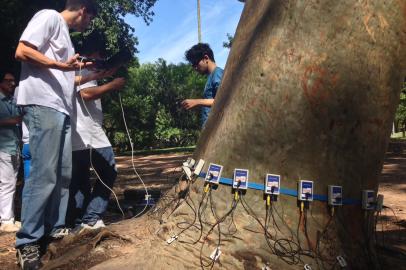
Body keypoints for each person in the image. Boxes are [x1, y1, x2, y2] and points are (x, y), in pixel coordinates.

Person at [14, 1, 97, 269]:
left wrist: (95, 74)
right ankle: (27, 242)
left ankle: (55, 229)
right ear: (83, 10)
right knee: (44, 174)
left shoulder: (67, 39)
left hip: (60, 109)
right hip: (42, 103)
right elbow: (23, 51)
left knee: (62, 174)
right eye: (90, 19)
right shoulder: (49, 16)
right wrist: (61, 66)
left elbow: (64, 77)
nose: (89, 25)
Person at [66, 49, 126, 230]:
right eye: (101, 56)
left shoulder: (73, 72)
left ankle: (78, 221)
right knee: (109, 171)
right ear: (91, 55)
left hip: (76, 135)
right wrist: (112, 86)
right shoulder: (85, 72)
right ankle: (91, 217)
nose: (103, 60)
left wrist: (108, 75)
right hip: (89, 133)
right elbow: (86, 94)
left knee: (80, 179)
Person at [182, 43, 224, 127]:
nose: (195, 68)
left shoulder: (217, 74)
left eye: (195, 63)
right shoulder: (211, 76)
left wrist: (197, 102)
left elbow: (223, 100)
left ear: (206, 58)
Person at [0, 72, 21, 233]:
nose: (12, 83)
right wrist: (13, 120)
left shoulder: (12, 100)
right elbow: (16, 119)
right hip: (3, 147)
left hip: (14, 146)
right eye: (8, 81)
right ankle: (6, 220)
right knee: (6, 184)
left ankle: (10, 218)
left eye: (13, 80)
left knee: (11, 183)